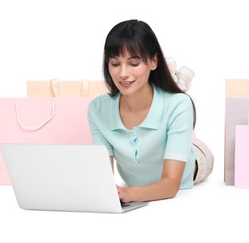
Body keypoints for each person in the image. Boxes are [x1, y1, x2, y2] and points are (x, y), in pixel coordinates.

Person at [88, 19, 212, 203]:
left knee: (183, 113)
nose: (122, 73)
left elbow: (171, 185)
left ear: (154, 61)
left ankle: (178, 103)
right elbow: (102, 178)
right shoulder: (98, 109)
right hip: (145, 174)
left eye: (134, 63)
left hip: (196, 161)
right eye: (115, 64)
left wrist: (127, 194)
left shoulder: (180, 104)